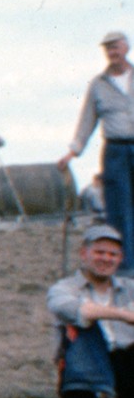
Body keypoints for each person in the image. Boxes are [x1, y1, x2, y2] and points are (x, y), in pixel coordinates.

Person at [60, 31, 134, 270]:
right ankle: (126, 268)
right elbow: (87, 120)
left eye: (116, 47)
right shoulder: (98, 84)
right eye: (108, 49)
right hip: (115, 151)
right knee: (118, 209)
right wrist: (73, 151)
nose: (113, 53)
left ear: (126, 48)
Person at [48, 224, 134, 398]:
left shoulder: (130, 288)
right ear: (83, 254)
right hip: (82, 383)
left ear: (120, 259)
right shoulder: (64, 288)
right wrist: (124, 315)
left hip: (125, 372)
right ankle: (103, 394)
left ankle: (111, 395)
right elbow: (76, 311)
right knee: (82, 324)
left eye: (113, 254)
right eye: (99, 252)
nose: (106, 258)